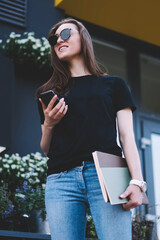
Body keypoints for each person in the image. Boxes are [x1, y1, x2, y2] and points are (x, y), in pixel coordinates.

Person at [36, 18, 146, 240]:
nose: (58, 40)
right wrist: (49, 124)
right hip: (61, 179)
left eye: (65, 33)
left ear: (83, 38)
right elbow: (46, 149)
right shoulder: (48, 92)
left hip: (108, 172)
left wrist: (137, 182)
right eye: (54, 38)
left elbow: (127, 137)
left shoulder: (114, 85)